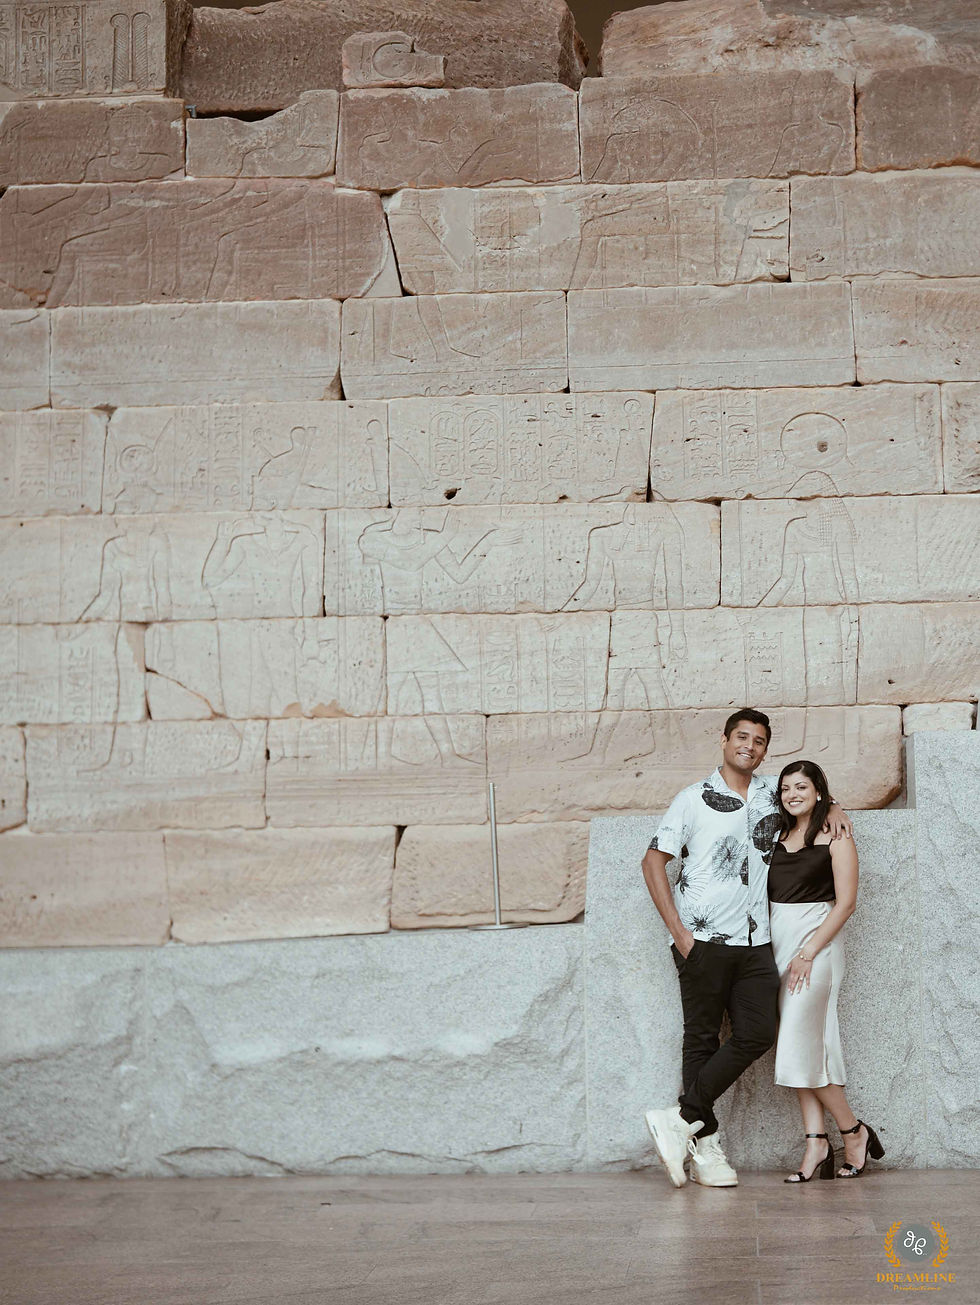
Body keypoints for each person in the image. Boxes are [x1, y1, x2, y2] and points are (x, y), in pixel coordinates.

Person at [640, 708, 853, 1188]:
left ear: (764, 750)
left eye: (758, 741)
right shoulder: (692, 799)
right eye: (741, 737)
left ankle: (681, 1117)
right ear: (724, 740)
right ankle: (705, 1149)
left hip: (758, 942)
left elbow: (807, 796)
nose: (749, 746)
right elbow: (653, 862)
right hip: (703, 941)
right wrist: (680, 934)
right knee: (701, 1039)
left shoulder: (770, 795)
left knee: (759, 1033)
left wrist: (834, 806)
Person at [769, 759, 884, 1182]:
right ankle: (816, 1141)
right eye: (785, 788)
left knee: (797, 1045)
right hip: (778, 949)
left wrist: (809, 951)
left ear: (819, 791)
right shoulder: (776, 835)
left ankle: (854, 1131)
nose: (792, 794)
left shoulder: (837, 835)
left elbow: (846, 903)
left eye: (801, 787)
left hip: (816, 947)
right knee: (805, 1048)